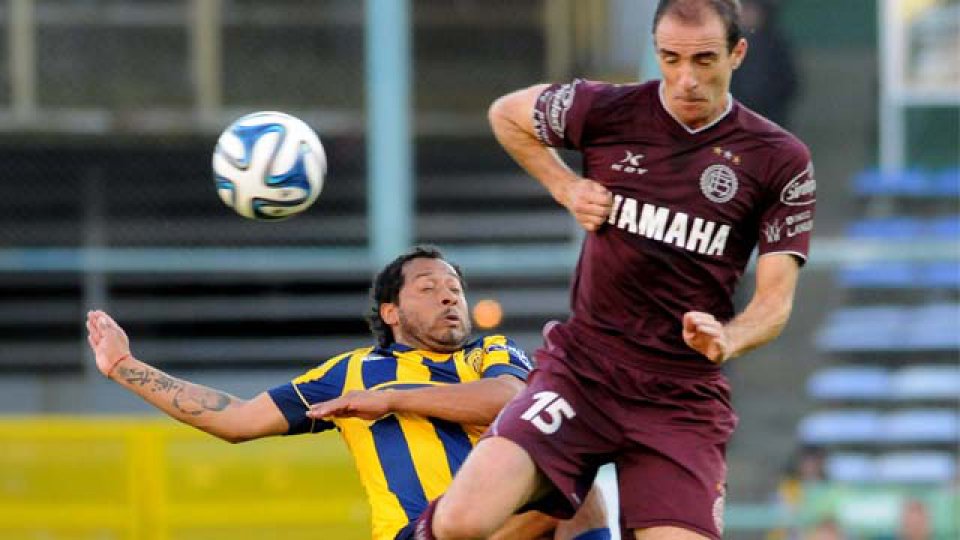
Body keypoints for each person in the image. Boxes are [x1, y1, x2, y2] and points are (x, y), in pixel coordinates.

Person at [409, 1, 816, 539]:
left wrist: (729, 338)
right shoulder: (608, 109)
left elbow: (775, 303)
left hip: (680, 400)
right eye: (671, 59)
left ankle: (565, 503)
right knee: (462, 521)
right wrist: (566, 186)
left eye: (704, 60)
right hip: (584, 372)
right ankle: (558, 500)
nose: (686, 78)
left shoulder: (779, 159)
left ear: (737, 53)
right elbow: (507, 113)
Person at [85, 245, 608, 540]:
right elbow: (236, 419)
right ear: (391, 311)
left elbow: (508, 399)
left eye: (455, 289)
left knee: (577, 493)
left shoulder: (490, 352)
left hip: (493, 525)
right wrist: (125, 367)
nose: (449, 297)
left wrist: (392, 398)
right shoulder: (351, 371)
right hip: (416, 532)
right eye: (429, 288)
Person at [729, 0, 799, 128]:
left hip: (770, 116)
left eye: (752, 10)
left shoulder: (775, 45)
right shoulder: (727, 45)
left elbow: (789, 81)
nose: (747, 15)